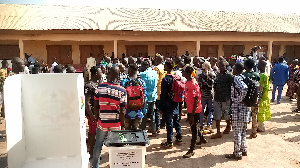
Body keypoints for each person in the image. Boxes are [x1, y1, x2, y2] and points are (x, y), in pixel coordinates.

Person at [92, 66, 127, 168]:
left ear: (108, 73)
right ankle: (116, 165)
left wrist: (98, 118)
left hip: (102, 122)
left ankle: (95, 166)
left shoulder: (100, 87)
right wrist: (123, 124)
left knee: (98, 145)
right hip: (115, 123)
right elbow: (123, 111)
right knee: (116, 147)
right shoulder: (122, 90)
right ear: (118, 75)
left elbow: (95, 105)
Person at [225, 62, 251, 160]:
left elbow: (244, 89)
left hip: (238, 108)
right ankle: (243, 149)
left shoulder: (237, 78)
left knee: (237, 132)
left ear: (237, 69)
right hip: (245, 108)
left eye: (234, 68)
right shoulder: (244, 77)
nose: (233, 70)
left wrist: (238, 99)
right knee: (243, 131)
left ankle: (237, 153)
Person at [182, 65, 206, 158]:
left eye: (183, 71)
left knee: (194, 129)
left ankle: (191, 149)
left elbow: (196, 100)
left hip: (195, 110)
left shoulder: (193, 84)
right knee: (194, 126)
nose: (182, 73)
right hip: (190, 109)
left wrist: (192, 114)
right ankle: (202, 138)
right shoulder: (187, 82)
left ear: (187, 73)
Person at [159, 59, 182, 148]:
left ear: (167, 67)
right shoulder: (176, 77)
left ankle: (170, 141)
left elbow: (163, 94)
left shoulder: (165, 79)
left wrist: (161, 106)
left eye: (165, 65)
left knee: (169, 123)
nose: (164, 67)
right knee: (176, 120)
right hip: (176, 102)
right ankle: (179, 138)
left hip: (168, 103)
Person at [211, 58, 234, 139]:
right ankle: (218, 132)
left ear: (226, 66)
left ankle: (228, 126)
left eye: (223, 66)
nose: (221, 67)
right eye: (220, 66)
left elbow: (233, 86)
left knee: (226, 115)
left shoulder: (229, 76)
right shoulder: (217, 75)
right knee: (217, 116)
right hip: (217, 98)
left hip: (226, 98)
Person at [121, 64, 147, 130]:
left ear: (130, 70)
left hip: (127, 112)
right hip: (138, 112)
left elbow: (121, 98)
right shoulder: (141, 82)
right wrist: (144, 111)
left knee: (126, 132)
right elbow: (145, 98)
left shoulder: (124, 82)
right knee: (137, 133)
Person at [85, 66, 101, 159]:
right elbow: (87, 102)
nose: (101, 74)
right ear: (96, 74)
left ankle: (94, 151)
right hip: (92, 114)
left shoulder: (97, 84)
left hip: (97, 113)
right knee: (92, 133)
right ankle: (90, 152)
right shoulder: (89, 85)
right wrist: (91, 115)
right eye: (100, 72)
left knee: (95, 133)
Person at [139, 60, 158, 136]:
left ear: (145, 66)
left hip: (145, 97)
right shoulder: (155, 73)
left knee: (144, 115)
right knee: (152, 115)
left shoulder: (142, 74)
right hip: (153, 96)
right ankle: (154, 131)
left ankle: (142, 131)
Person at [242, 59, 260, 138]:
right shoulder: (257, 75)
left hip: (245, 99)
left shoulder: (243, 75)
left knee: (244, 115)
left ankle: (243, 130)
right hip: (254, 98)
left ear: (245, 66)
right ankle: (254, 132)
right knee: (254, 115)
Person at [198, 61, 215, 133]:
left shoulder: (200, 75)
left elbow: (199, 85)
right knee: (210, 110)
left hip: (203, 94)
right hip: (210, 94)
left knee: (201, 110)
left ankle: (202, 124)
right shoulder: (213, 75)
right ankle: (209, 124)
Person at [257, 60, 271, 131]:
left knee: (260, 112)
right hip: (264, 96)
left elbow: (261, 87)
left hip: (262, 96)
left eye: (259, 65)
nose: (258, 66)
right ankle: (260, 126)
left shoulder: (262, 76)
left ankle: (260, 127)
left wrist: (259, 95)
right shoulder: (264, 75)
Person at [154, 55, 166, 129]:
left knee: (157, 109)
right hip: (164, 88)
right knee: (164, 108)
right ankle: (163, 123)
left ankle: (157, 125)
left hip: (158, 89)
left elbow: (156, 79)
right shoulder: (164, 67)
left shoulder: (157, 68)